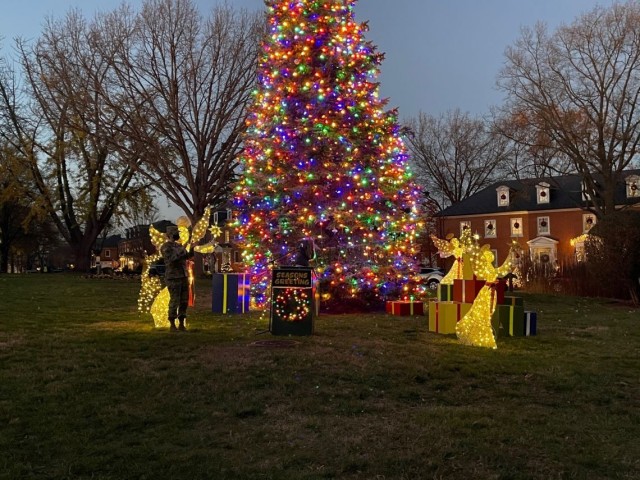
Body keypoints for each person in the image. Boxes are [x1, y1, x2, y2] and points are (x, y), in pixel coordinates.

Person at [161, 226, 192, 331]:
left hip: (183, 276)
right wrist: (181, 251)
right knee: (175, 300)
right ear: (169, 234)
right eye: (175, 233)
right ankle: (172, 323)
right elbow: (171, 259)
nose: (177, 235)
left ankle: (182, 323)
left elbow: (187, 256)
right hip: (173, 277)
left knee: (184, 301)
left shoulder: (179, 246)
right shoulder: (166, 247)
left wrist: (191, 247)